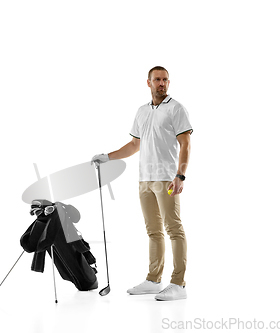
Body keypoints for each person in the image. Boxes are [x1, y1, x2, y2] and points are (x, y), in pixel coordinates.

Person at [91, 66, 192, 301]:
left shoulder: (176, 109)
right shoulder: (142, 111)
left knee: (174, 229)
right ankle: (153, 280)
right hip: (144, 179)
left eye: (165, 80)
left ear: (169, 82)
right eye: (157, 79)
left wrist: (181, 175)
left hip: (167, 177)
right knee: (153, 231)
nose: (162, 83)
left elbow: (185, 144)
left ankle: (178, 283)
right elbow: (134, 145)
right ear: (148, 83)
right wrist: (107, 157)